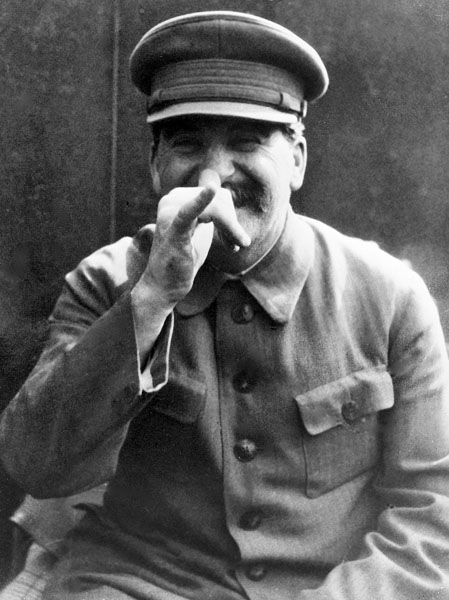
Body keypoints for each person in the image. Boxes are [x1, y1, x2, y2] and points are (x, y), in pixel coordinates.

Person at [0, 10, 449, 600]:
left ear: (297, 159)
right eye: (188, 142)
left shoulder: (391, 298)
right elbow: (37, 465)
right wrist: (153, 297)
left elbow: (432, 512)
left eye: (246, 141)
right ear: (155, 164)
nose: (213, 176)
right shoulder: (106, 281)